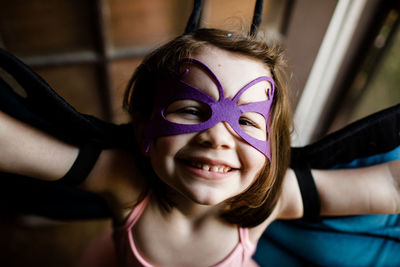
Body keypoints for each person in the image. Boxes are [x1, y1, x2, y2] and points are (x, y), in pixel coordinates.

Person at [0, 28, 399, 267]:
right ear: (144, 128)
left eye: (246, 121)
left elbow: (391, 185)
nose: (219, 137)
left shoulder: (276, 198)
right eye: (193, 110)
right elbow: (16, 145)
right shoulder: (125, 182)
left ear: (272, 151)